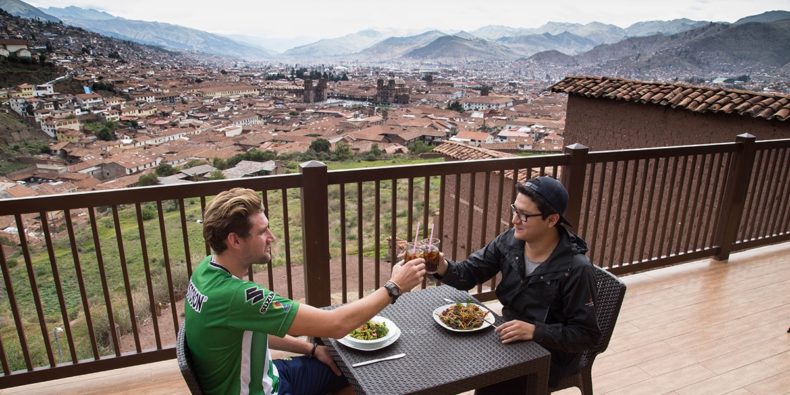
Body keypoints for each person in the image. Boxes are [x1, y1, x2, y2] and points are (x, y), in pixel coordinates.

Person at [184, 187, 426, 395]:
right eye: (262, 232)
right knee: (368, 376)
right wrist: (394, 287)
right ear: (235, 240)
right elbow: (336, 325)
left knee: (347, 369)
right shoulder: (236, 296)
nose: (272, 237)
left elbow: (254, 326)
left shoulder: (206, 270)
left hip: (267, 375)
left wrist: (311, 349)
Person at [433, 176, 601, 392]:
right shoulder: (510, 241)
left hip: (549, 356)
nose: (514, 220)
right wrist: (441, 266)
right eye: (515, 210)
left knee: (490, 380)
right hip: (508, 337)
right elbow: (468, 274)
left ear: (551, 220)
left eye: (524, 215)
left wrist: (535, 331)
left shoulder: (576, 269)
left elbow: (587, 336)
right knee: (456, 359)